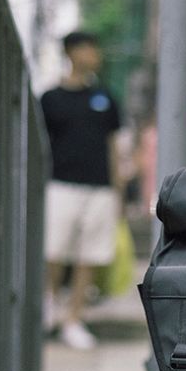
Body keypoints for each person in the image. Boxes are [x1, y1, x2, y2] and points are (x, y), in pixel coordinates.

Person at [41, 31, 123, 350]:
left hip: (100, 188)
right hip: (59, 184)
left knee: (89, 255)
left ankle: (74, 319)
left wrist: (117, 192)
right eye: (87, 48)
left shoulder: (105, 97)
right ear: (71, 52)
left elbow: (114, 146)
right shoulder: (50, 99)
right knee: (53, 251)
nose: (94, 54)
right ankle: (49, 304)